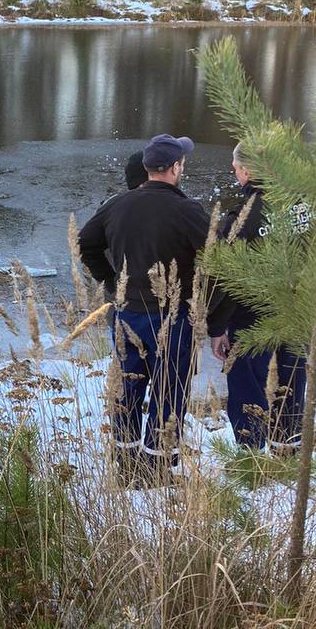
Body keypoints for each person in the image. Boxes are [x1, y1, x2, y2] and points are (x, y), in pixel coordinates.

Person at [79, 133, 210, 483]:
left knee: (127, 387)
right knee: (169, 391)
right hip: (172, 315)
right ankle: (157, 470)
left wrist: (113, 283)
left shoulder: (117, 205)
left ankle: (126, 466)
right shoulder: (187, 210)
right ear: (174, 167)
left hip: (126, 313)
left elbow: (86, 243)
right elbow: (220, 257)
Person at [208, 143, 306, 452]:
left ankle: (251, 450)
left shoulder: (246, 214)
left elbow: (224, 272)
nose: (234, 174)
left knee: (246, 379)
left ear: (247, 171)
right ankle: (287, 446)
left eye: (236, 169)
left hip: (253, 311)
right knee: (291, 381)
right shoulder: (302, 206)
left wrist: (217, 326)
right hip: (297, 307)